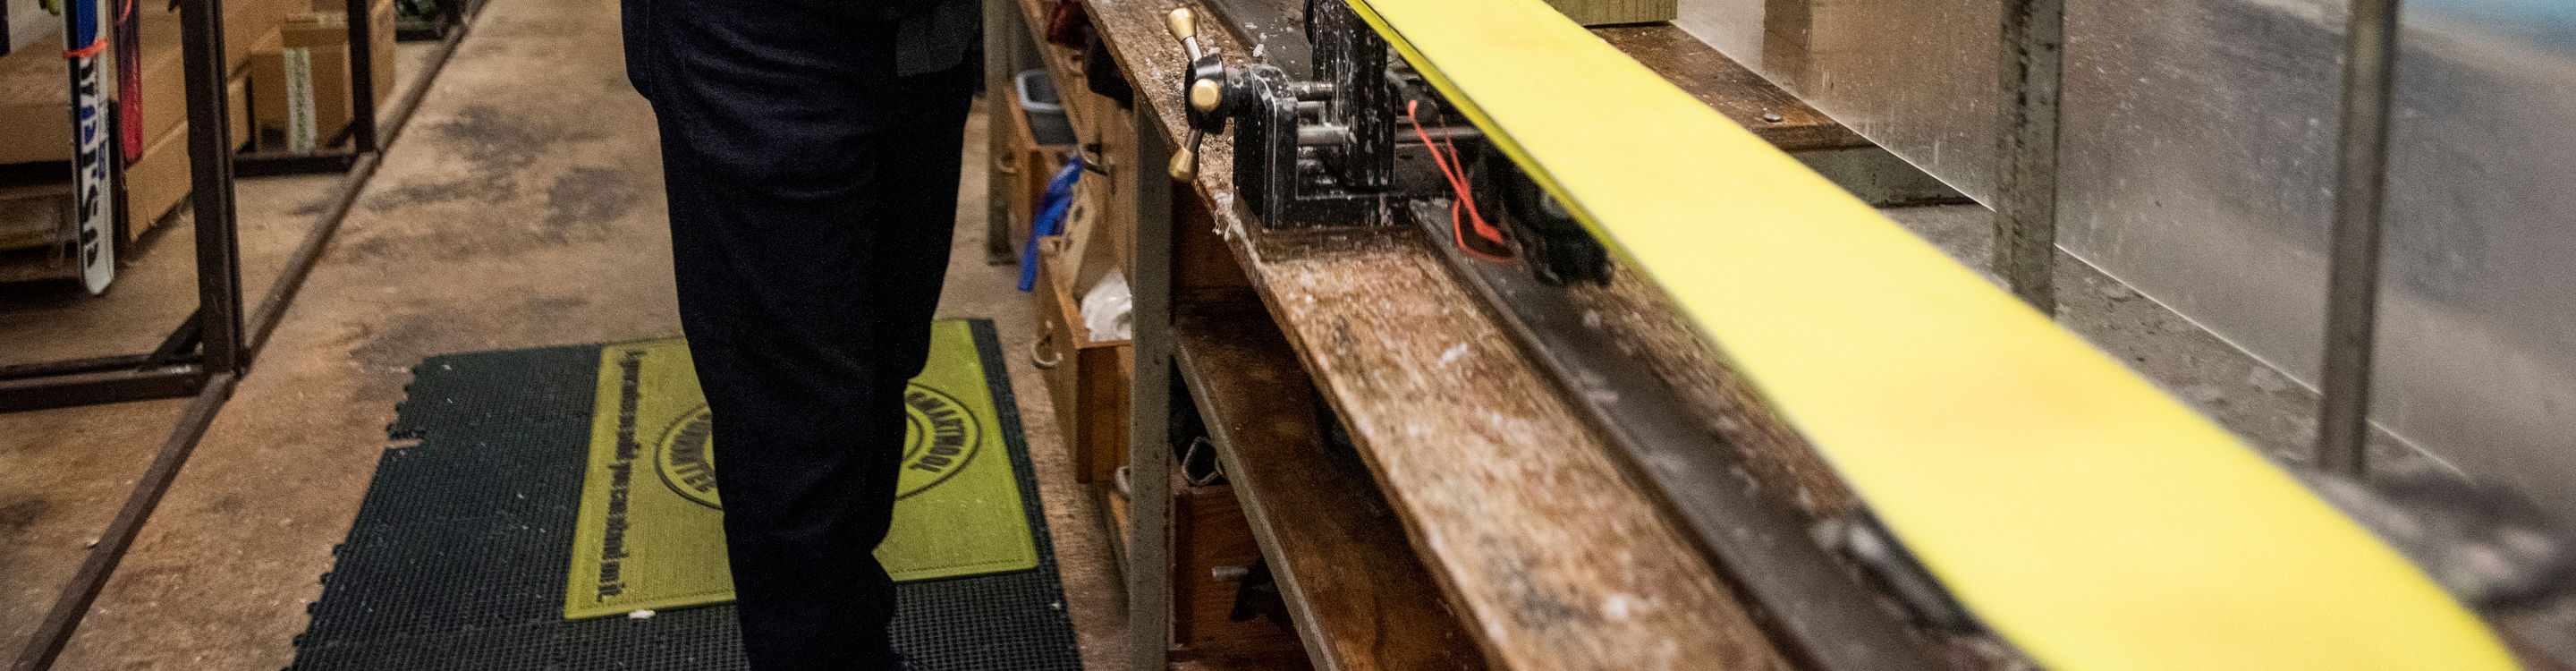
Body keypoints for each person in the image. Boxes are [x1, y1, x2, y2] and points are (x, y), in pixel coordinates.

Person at [620, 0, 979, 667]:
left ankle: (850, 638)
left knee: (882, 369)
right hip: (755, 43)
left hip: (926, 41)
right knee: (794, 431)